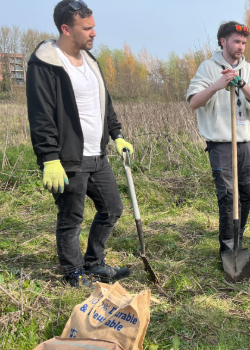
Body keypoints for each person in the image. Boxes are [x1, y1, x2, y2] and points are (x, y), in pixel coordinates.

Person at [26, 0, 134, 287]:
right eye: (87, 28)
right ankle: (73, 274)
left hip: (97, 154)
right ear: (66, 29)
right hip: (67, 156)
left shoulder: (91, 62)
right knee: (71, 217)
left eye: (94, 27)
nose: (94, 33)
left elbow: (104, 103)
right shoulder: (46, 63)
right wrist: (49, 158)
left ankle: (94, 263)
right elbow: (41, 116)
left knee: (112, 208)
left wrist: (117, 134)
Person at [187, 21, 250, 255]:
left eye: (243, 42)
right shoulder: (208, 67)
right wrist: (217, 85)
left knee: (245, 195)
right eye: (236, 41)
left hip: (246, 143)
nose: (241, 46)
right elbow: (194, 102)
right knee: (227, 196)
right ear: (223, 41)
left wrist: (242, 84)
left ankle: (239, 239)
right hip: (221, 145)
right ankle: (227, 246)